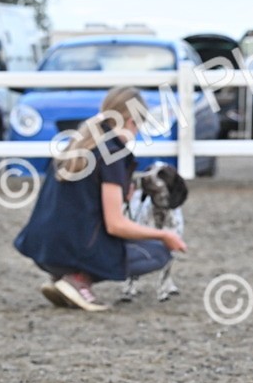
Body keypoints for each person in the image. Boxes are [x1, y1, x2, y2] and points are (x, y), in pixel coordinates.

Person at [14, 86, 187, 312]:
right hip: (72, 250)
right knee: (158, 252)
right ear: (131, 122)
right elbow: (116, 225)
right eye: (138, 127)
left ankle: (61, 277)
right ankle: (78, 280)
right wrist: (164, 234)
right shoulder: (114, 153)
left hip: (40, 247)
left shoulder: (76, 144)